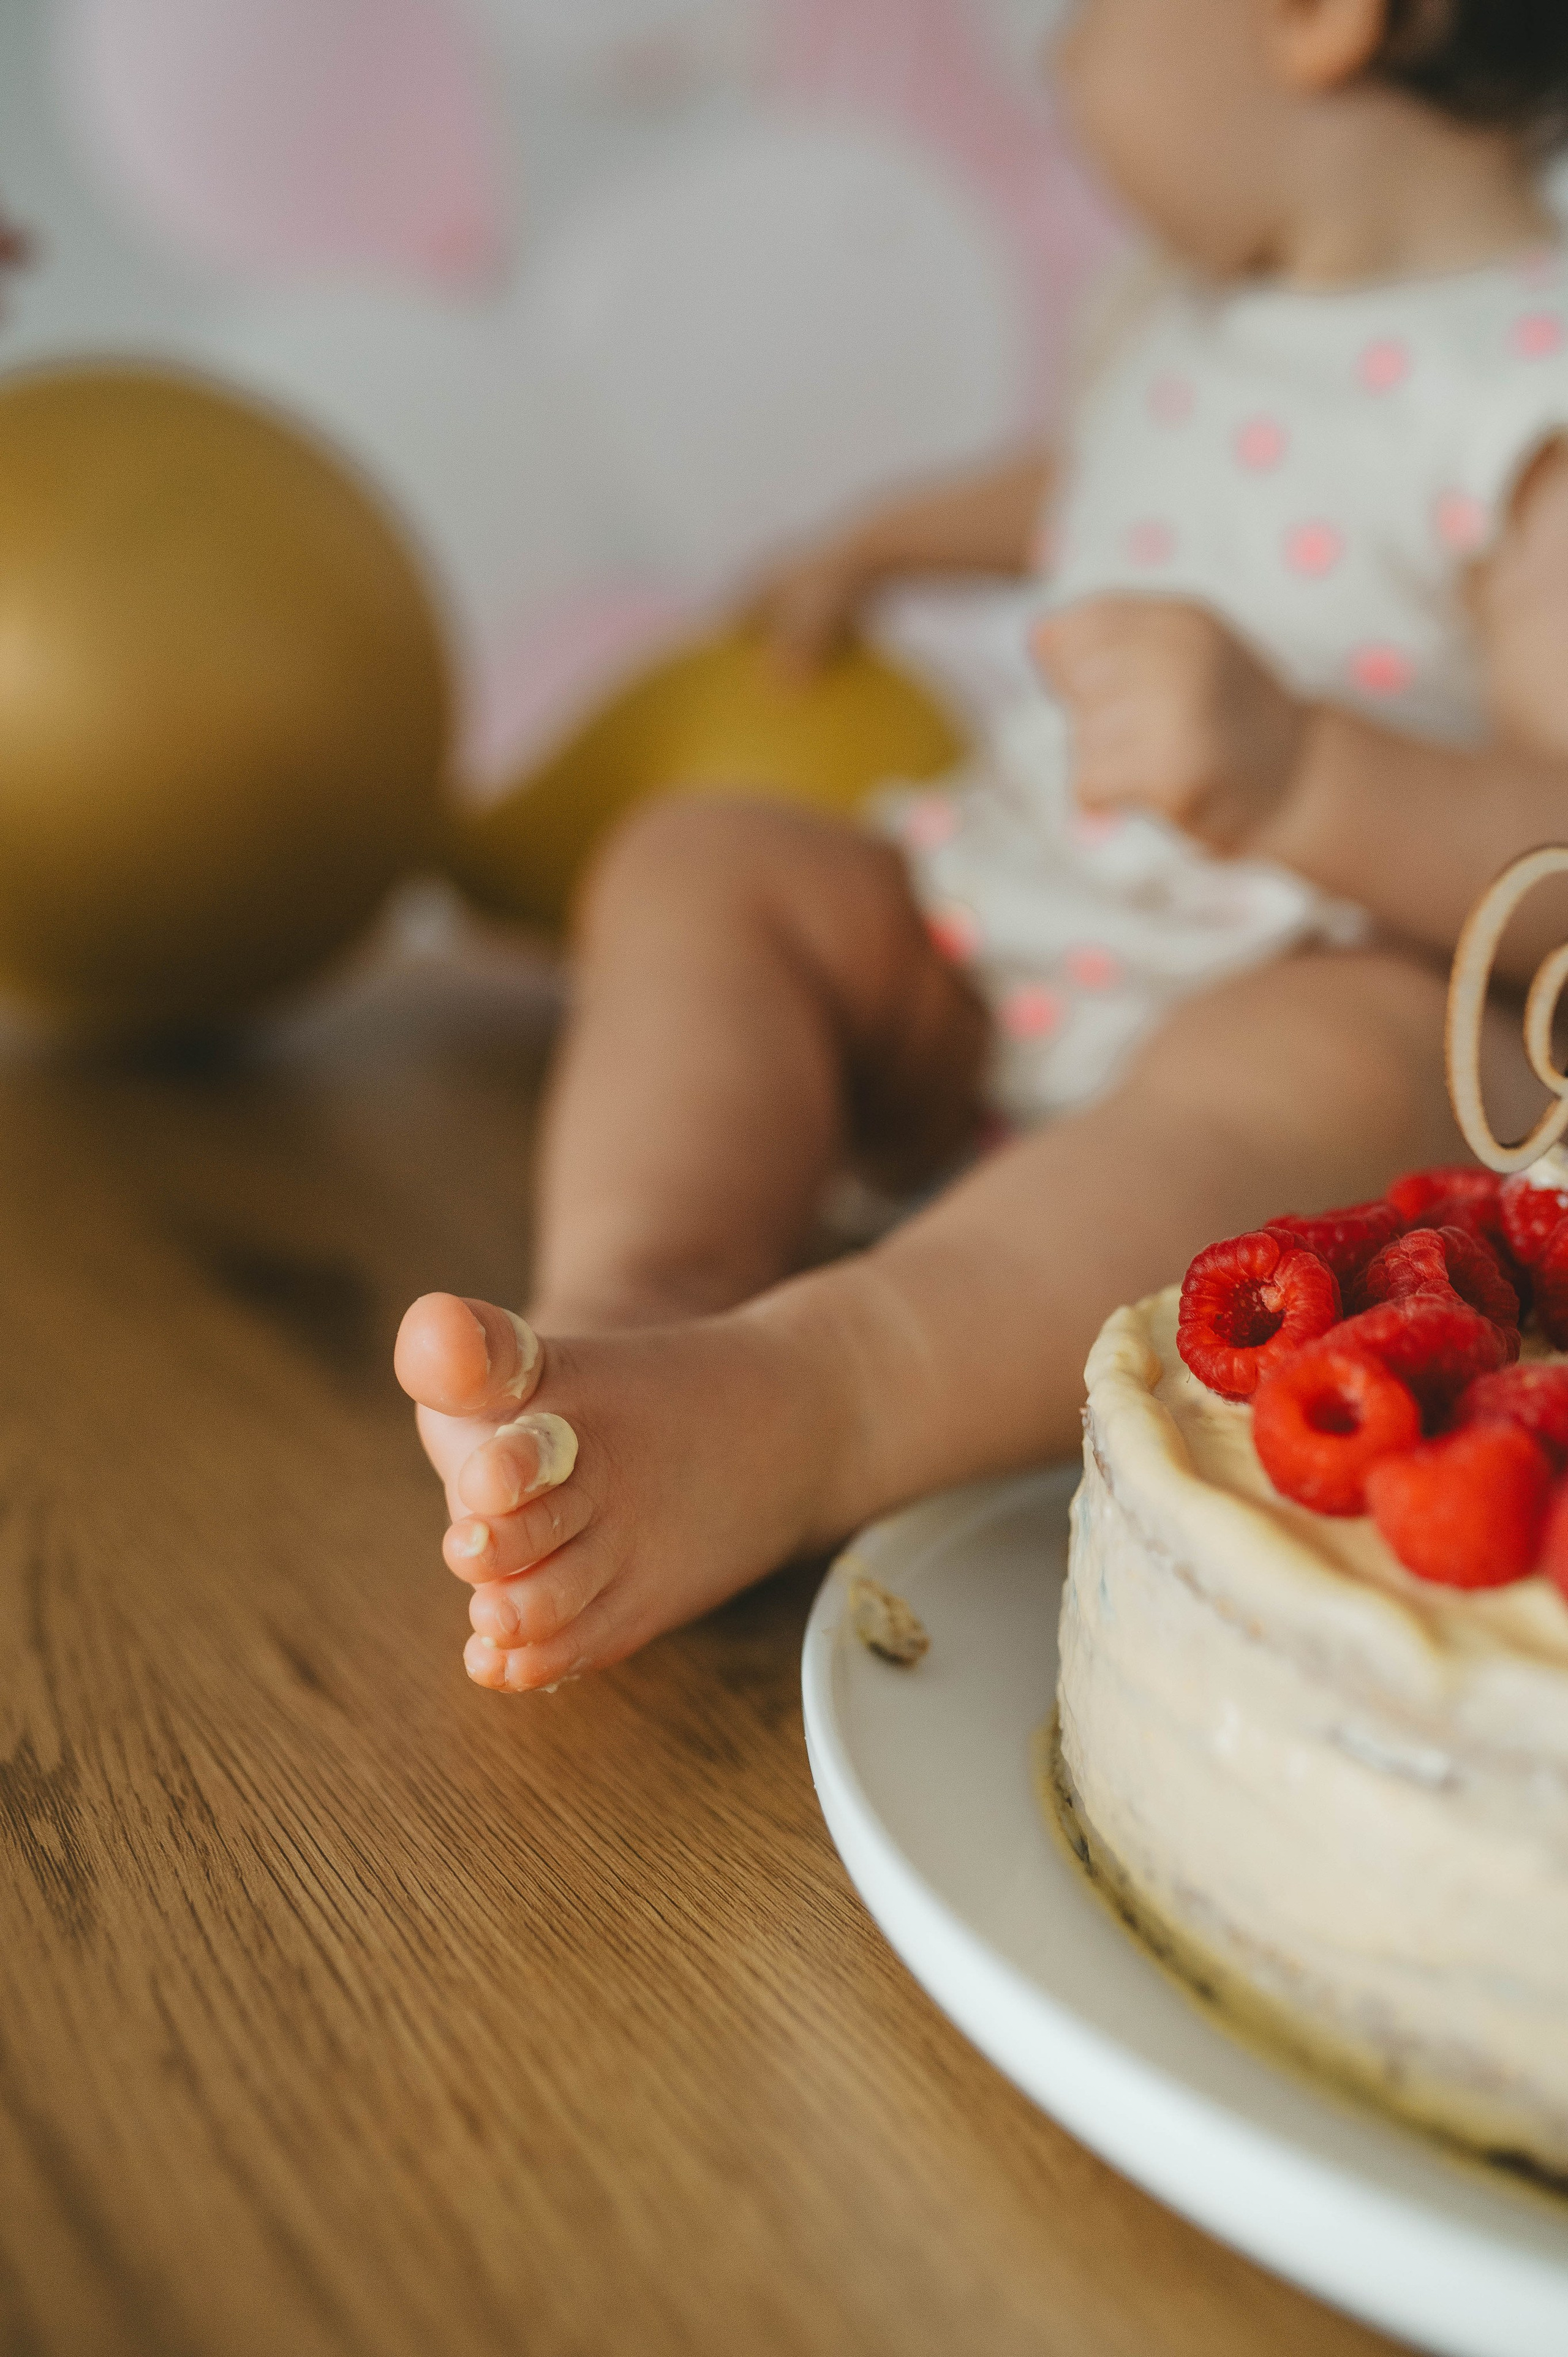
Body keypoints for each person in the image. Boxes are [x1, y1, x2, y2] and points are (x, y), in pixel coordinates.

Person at [396, 0, 1568, 1694]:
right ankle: (635, 1318)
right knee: (704, 859)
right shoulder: (1188, 310)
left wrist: (1305, 771)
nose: (1056, 56)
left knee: (1356, 1045)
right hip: (1000, 932)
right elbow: (1105, 476)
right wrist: (886, 540)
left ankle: (821, 1397)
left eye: (1093, 14)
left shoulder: (1522, 388)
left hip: (1261, 1027)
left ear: (1317, 22)